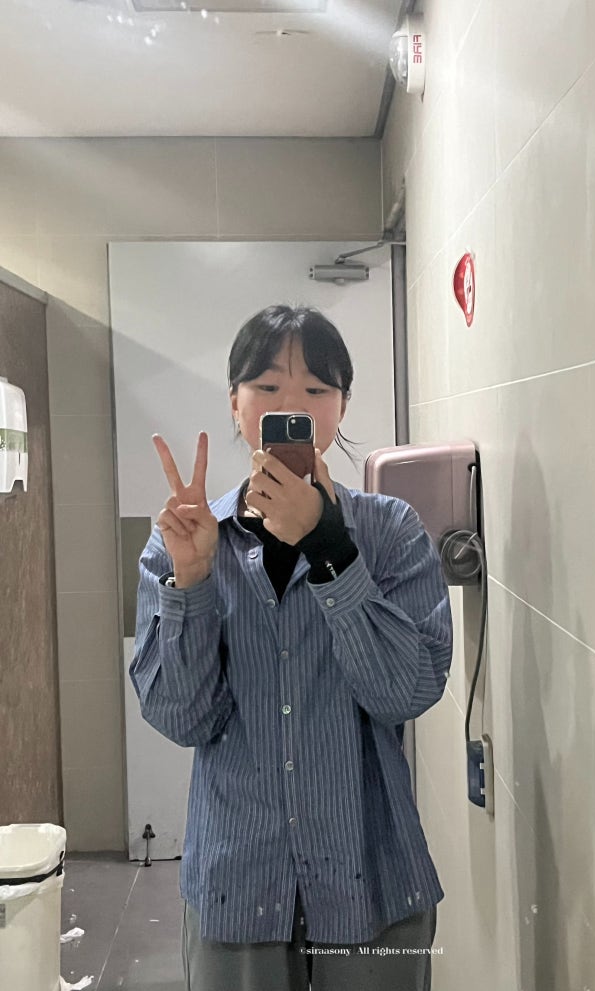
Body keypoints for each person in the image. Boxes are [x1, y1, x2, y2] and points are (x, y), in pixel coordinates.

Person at [130, 304, 453, 991]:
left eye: (316, 388)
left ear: (341, 408)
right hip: (236, 879)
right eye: (268, 386)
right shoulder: (185, 539)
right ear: (235, 402)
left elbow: (408, 692)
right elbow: (183, 717)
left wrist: (331, 549)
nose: (292, 405)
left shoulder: (390, 531)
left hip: (372, 874)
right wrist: (191, 580)